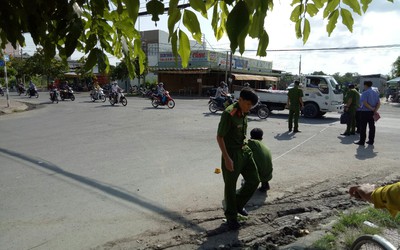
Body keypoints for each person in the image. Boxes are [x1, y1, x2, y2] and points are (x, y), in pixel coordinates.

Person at [216, 87, 260, 230]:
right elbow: (220, 137)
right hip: (232, 154)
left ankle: (238, 205)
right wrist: (227, 158)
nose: (249, 108)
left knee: (254, 180)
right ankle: (231, 217)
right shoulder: (229, 113)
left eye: (251, 106)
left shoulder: (243, 111)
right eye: (247, 104)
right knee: (230, 187)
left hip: (244, 150)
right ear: (240, 100)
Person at [354, 81, 380, 146]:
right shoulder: (375, 93)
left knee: (363, 127)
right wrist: (374, 110)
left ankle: (362, 141)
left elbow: (365, 103)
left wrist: (371, 108)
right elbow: (379, 103)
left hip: (365, 112)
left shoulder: (365, 93)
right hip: (372, 112)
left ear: (365, 85)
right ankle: (371, 141)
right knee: (372, 127)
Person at [247, 128, 273, 194]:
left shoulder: (252, 143)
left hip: (261, 174)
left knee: (244, 161)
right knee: (260, 162)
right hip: (268, 173)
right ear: (262, 137)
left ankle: (249, 186)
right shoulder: (263, 144)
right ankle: (265, 184)